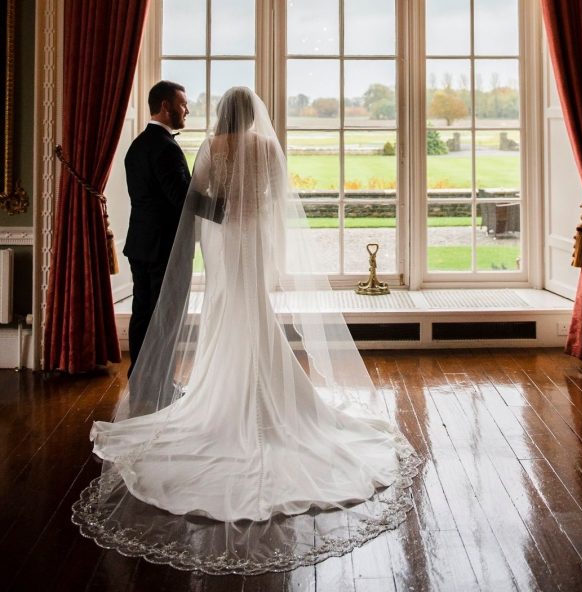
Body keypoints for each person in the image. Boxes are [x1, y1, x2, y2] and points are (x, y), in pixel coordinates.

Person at [74, 88, 419, 576]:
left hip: (226, 241)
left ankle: (222, 392)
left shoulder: (211, 148)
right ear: (253, 114)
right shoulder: (268, 148)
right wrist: (250, 211)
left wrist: (226, 214)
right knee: (255, 309)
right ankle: (265, 394)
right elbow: (277, 196)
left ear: (221, 114)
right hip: (253, 238)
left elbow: (194, 200)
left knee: (226, 309)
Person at [123, 80, 191, 376]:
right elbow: (181, 198)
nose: (186, 110)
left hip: (140, 243)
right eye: (182, 104)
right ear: (166, 106)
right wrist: (225, 209)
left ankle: (140, 378)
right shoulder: (165, 148)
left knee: (143, 315)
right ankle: (161, 385)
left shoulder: (137, 145)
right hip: (164, 247)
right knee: (166, 317)